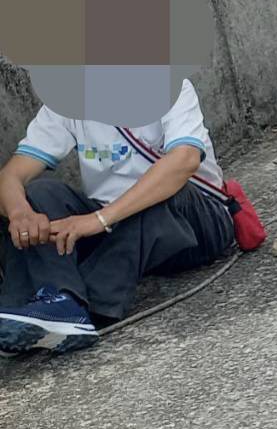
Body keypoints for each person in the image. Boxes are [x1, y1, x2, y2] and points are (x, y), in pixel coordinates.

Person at [0, 79, 235, 355]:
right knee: (39, 193)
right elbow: (11, 175)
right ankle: (48, 306)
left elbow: (185, 160)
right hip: (121, 229)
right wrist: (20, 213)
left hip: (197, 222)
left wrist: (98, 219)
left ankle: (85, 304)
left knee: (163, 189)